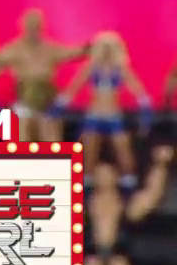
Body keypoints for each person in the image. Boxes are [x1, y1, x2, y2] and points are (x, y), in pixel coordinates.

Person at [0, 9, 87, 141]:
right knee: (23, 135)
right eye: (30, 26)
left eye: (36, 26)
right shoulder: (15, 49)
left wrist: (89, 48)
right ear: (23, 27)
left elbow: (73, 53)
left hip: (48, 103)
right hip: (25, 101)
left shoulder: (50, 49)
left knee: (50, 137)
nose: (33, 29)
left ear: (41, 27)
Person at [60, 32, 151, 184]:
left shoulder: (121, 69)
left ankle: (128, 182)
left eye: (110, 47)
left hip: (113, 116)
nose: (106, 51)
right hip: (94, 116)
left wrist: (146, 110)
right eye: (103, 47)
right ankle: (87, 183)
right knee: (89, 152)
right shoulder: (90, 68)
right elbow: (73, 88)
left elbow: (139, 91)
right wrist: (59, 106)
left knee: (123, 149)